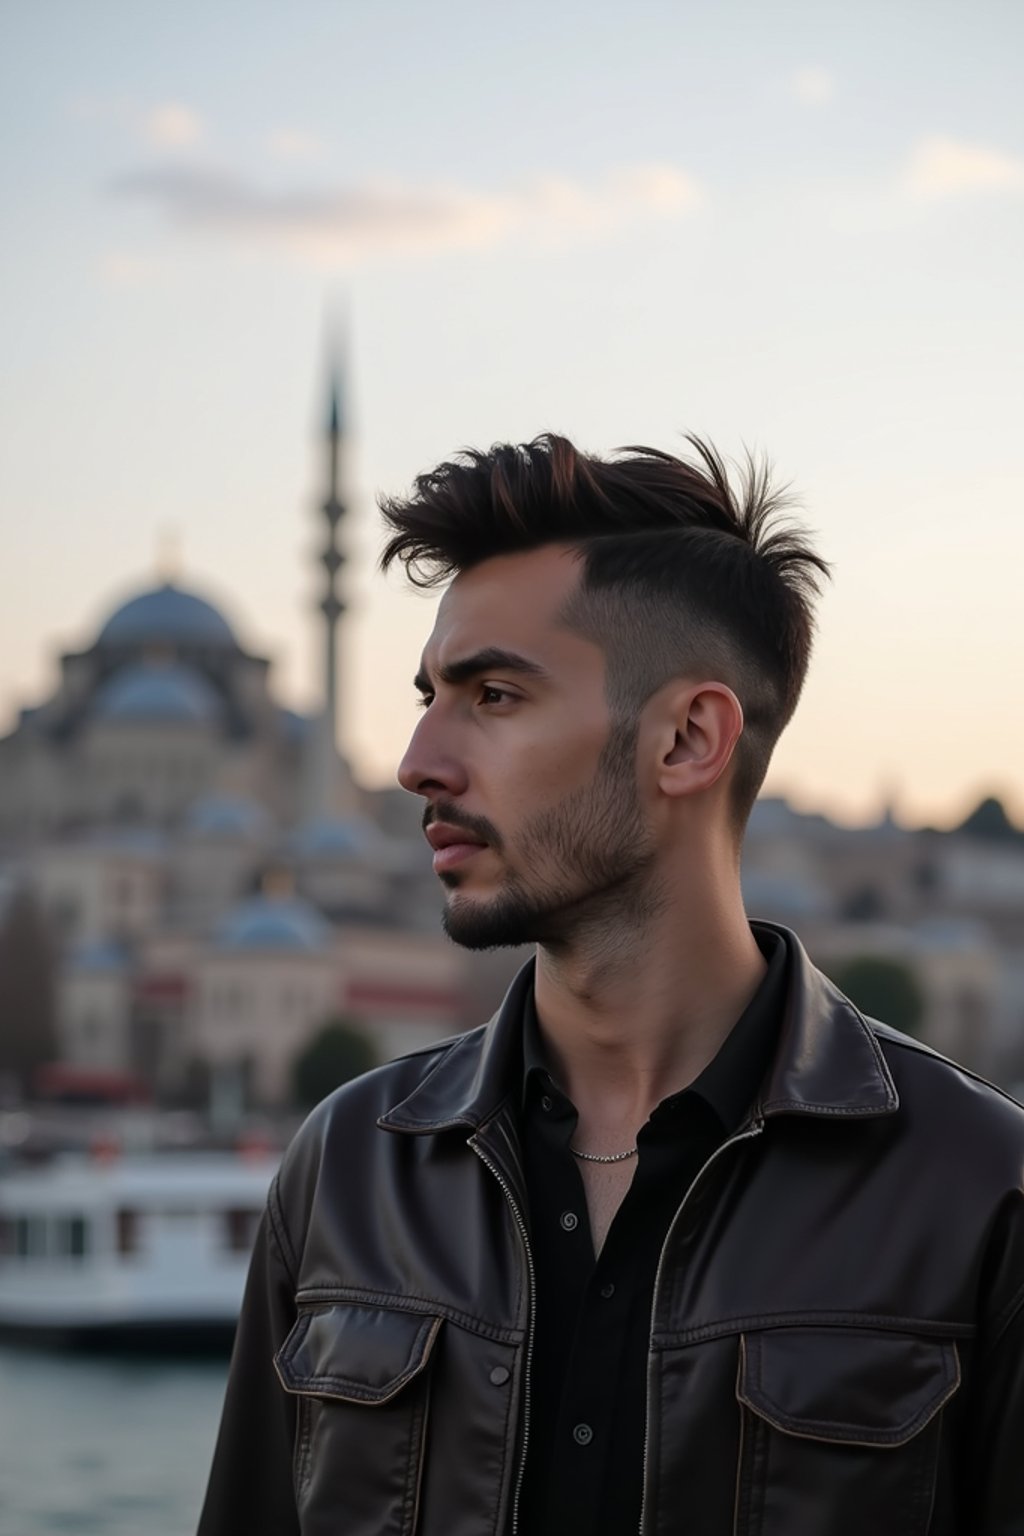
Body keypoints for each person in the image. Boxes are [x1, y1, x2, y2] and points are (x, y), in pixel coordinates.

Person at [199, 434, 1024, 1536]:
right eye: (428, 694)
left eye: (492, 694)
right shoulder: (348, 1169)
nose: (415, 761)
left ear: (687, 739)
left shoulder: (976, 1192)